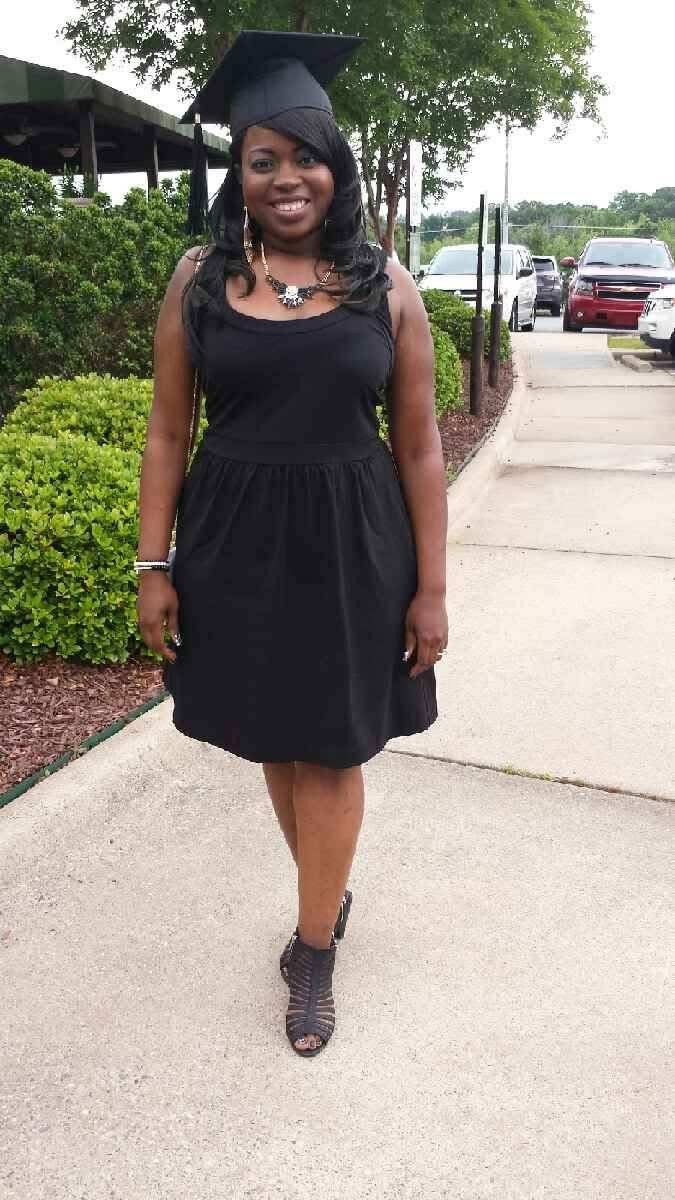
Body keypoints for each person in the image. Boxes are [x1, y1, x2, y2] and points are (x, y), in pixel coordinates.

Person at [135, 30, 448, 1057]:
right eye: (261, 159)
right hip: (232, 543)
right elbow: (168, 431)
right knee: (276, 735)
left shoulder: (384, 284)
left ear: (334, 166)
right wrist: (153, 566)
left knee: (333, 745)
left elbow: (419, 445)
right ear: (239, 173)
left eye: (304, 156)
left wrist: (432, 588)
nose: (286, 177)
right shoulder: (198, 278)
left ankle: (313, 946)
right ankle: (326, 888)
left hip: (355, 546)